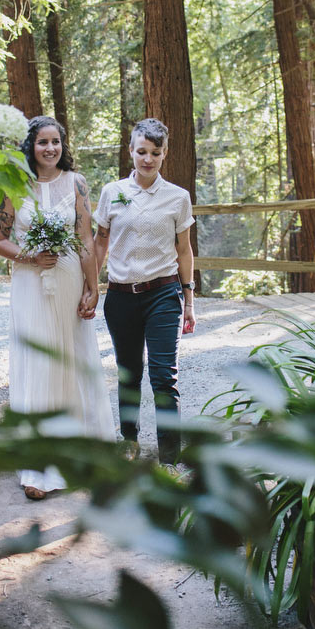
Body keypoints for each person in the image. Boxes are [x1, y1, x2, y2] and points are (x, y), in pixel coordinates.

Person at [0, 115, 115, 500]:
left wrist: (92, 288)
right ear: (31, 146)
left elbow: (84, 239)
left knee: (72, 358)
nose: (50, 149)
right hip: (29, 284)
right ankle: (38, 466)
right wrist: (28, 256)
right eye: (43, 142)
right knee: (38, 362)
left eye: (56, 142)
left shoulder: (76, 183)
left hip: (67, 281)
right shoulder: (13, 184)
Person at [93, 118, 196, 466]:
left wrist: (189, 301)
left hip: (163, 294)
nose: (147, 159)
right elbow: (100, 242)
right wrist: (91, 287)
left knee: (164, 375)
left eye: (155, 152)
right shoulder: (112, 192)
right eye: (141, 151)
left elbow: (184, 251)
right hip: (121, 296)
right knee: (128, 371)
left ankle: (169, 454)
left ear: (164, 154)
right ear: (131, 152)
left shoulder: (177, 198)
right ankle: (129, 439)